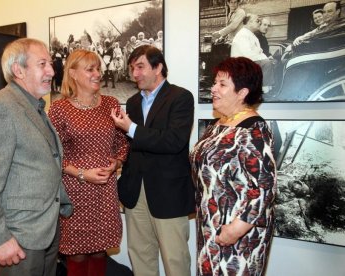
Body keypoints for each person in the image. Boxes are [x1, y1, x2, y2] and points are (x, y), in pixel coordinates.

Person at [0, 38, 72, 276]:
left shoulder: (34, 107)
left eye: (50, 63)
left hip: (44, 229)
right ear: (18, 70)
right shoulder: (1, 108)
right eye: (42, 63)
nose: (51, 70)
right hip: (19, 236)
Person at [110, 45, 195, 276]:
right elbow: (130, 146)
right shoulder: (133, 102)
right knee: (140, 255)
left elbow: (174, 141)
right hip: (135, 192)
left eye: (140, 67)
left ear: (158, 67)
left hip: (168, 193)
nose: (134, 74)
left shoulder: (181, 97)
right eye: (132, 68)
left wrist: (132, 129)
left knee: (174, 259)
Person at [189, 57, 277, 276]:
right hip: (211, 224)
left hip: (238, 233)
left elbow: (265, 187)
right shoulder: (219, 124)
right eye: (215, 83)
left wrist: (237, 229)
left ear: (242, 92)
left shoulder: (253, 129)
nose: (213, 89)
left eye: (222, 84)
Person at [48, 49, 129, 276]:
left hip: (105, 191)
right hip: (75, 190)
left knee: (100, 251)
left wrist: (117, 163)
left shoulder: (110, 104)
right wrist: (82, 173)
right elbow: (52, 153)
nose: (97, 74)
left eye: (98, 69)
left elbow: (122, 143)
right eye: (90, 69)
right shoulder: (59, 109)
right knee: (77, 252)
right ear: (73, 73)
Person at [231, 13, 275, 92]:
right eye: (257, 21)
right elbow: (248, 54)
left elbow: (259, 52)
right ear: (249, 22)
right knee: (267, 63)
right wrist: (263, 57)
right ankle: (264, 90)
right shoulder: (243, 35)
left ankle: (266, 89)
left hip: (249, 61)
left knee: (268, 62)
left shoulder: (251, 35)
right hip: (241, 64)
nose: (259, 23)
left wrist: (264, 56)